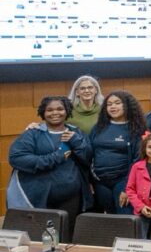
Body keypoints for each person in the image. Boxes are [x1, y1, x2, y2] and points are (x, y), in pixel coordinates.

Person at [7, 96, 93, 228]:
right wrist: (55, 157)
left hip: (71, 197)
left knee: (66, 234)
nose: (55, 113)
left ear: (67, 111)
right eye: (49, 110)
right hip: (39, 198)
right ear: (43, 112)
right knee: (42, 236)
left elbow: (88, 159)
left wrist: (76, 142)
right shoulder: (33, 133)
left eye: (60, 109)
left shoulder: (76, 132)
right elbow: (16, 158)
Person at [90, 91, 147, 214]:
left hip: (123, 181)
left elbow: (138, 160)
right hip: (99, 181)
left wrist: (128, 187)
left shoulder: (136, 129)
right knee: (109, 220)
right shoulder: (99, 127)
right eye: (109, 104)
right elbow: (89, 153)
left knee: (125, 219)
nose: (112, 107)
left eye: (117, 103)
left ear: (127, 106)